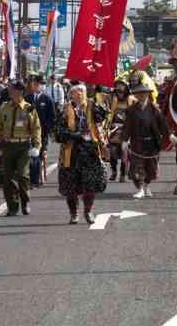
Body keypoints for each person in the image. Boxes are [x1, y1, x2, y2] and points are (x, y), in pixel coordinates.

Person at [56, 84, 107, 224]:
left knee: (89, 184)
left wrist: (97, 98)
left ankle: (88, 211)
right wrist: (75, 135)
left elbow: (102, 116)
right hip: (71, 152)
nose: (79, 93)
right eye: (75, 91)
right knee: (71, 186)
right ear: (71, 94)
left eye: (81, 91)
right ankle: (74, 213)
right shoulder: (65, 109)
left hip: (90, 150)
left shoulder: (92, 106)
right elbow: (58, 133)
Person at [0, 80, 42, 217]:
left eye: (13, 90)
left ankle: (25, 202)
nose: (10, 92)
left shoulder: (29, 108)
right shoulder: (4, 107)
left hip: (23, 145)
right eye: (10, 90)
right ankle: (12, 206)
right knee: (7, 178)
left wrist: (37, 146)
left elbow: (36, 128)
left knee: (23, 176)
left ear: (20, 92)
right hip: (8, 145)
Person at [124, 73, 171, 199]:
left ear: (147, 94)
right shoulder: (131, 110)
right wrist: (124, 140)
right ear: (136, 95)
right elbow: (127, 126)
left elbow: (163, 124)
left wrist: (170, 135)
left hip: (152, 143)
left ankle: (146, 185)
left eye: (144, 93)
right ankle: (140, 188)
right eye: (138, 93)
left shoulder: (155, 109)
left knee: (151, 168)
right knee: (137, 167)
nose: (141, 95)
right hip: (137, 143)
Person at [26, 74, 56, 186]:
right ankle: (29, 177)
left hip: (42, 133)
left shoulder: (47, 99)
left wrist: (47, 131)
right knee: (28, 154)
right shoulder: (27, 98)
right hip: (28, 132)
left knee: (37, 155)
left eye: (39, 84)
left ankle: (35, 180)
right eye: (35, 84)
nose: (37, 86)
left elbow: (52, 117)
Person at [104, 78, 133, 183]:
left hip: (126, 130)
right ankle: (114, 171)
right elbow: (105, 110)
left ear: (126, 88)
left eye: (122, 85)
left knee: (124, 151)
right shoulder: (110, 98)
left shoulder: (131, 99)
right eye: (118, 85)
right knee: (112, 152)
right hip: (113, 129)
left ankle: (123, 173)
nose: (120, 88)